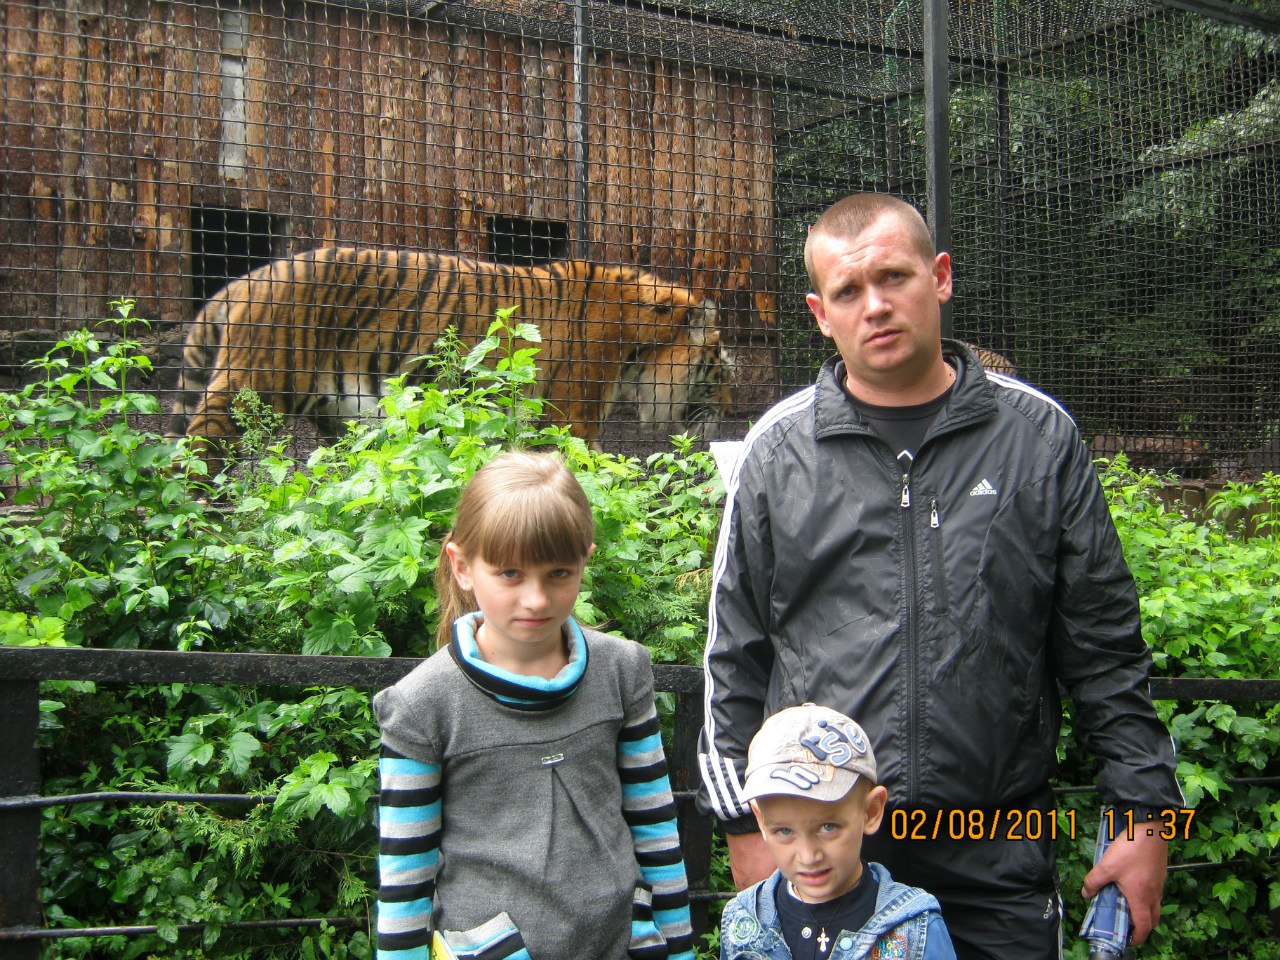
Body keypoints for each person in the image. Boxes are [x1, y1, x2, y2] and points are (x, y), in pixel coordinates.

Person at [697, 193, 1183, 960]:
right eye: (849, 291)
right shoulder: (776, 451)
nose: (876, 305)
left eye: (894, 277)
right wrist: (743, 828)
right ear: (820, 314)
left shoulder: (1039, 438)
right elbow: (733, 660)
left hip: (998, 852)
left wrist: (1146, 818)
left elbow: (1107, 652)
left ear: (941, 277)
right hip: (827, 853)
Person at [374, 450, 695, 960]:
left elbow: (655, 825)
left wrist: (676, 949)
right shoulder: (422, 705)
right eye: (510, 573)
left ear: (585, 560)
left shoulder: (622, 671)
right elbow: (405, 879)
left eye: (559, 573)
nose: (537, 599)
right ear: (462, 567)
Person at [719, 703, 957, 960]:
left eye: (828, 827)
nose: (808, 856)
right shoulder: (742, 922)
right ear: (761, 820)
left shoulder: (914, 929)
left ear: (871, 811)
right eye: (785, 831)